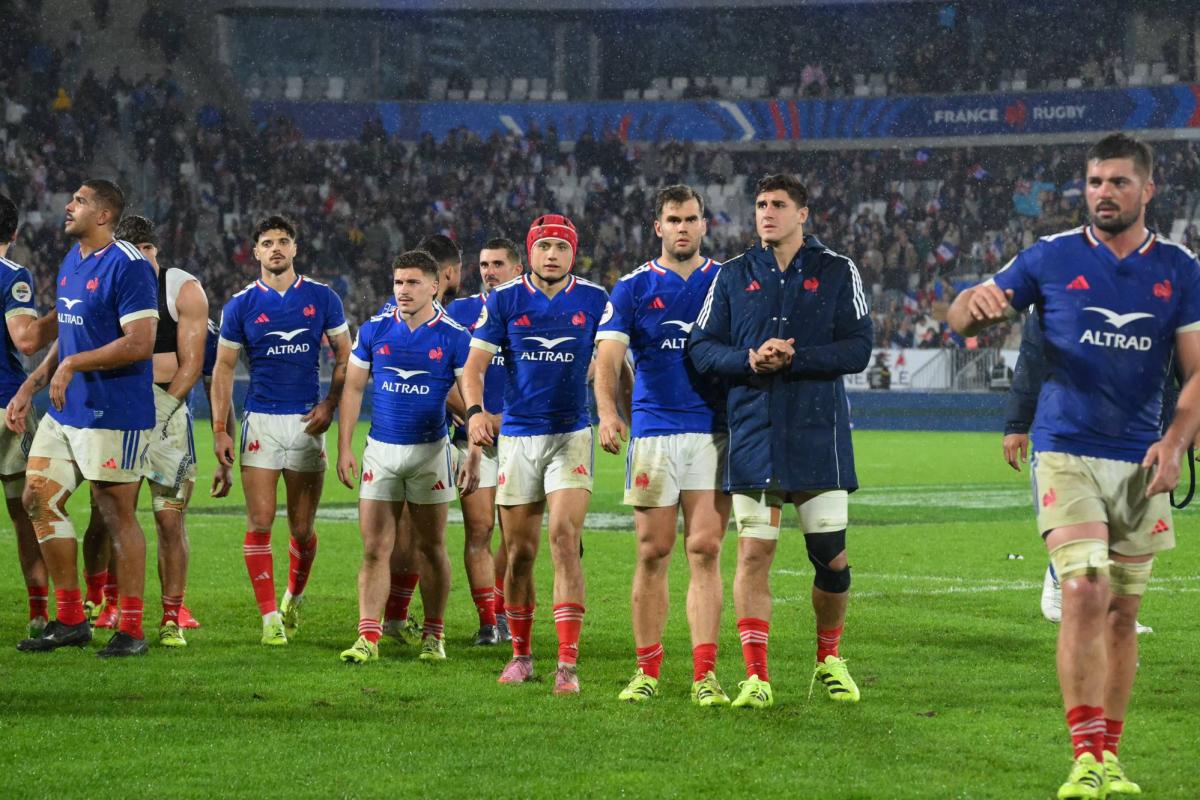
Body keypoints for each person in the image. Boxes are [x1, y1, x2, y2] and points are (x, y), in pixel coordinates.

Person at [948, 132, 1200, 799]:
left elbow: (1197, 371)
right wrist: (968, 308)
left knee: (1121, 611)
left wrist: (1174, 444)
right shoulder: (1049, 257)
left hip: (1140, 458)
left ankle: (1110, 757)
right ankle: (1083, 755)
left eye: (1118, 182)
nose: (1103, 194)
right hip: (1065, 450)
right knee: (1084, 591)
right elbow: (964, 317)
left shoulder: (1180, 269)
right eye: (1094, 182)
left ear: (1148, 189)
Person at [689, 173, 872, 709]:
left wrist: (798, 358)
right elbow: (701, 348)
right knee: (752, 557)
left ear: (803, 213)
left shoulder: (837, 271)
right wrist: (749, 359)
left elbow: (859, 348)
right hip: (756, 437)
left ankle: (828, 660)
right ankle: (756, 677)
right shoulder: (732, 275)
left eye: (778, 205)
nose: (766, 213)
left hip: (819, 437)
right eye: (761, 205)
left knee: (831, 559)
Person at [593, 184, 732, 705]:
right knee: (653, 551)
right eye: (673, 219)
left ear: (704, 224)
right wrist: (608, 413)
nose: (682, 227)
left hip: (714, 433)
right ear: (658, 226)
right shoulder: (630, 288)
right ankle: (647, 670)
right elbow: (607, 360)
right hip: (652, 434)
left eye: (691, 219)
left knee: (706, 550)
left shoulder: (726, 281)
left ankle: (705, 675)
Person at [10, 179, 159, 657]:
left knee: (116, 516)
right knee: (37, 496)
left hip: (113, 411)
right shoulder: (73, 260)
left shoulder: (130, 266)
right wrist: (31, 384)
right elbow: (70, 330)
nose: (67, 206)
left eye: (78, 200)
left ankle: (132, 629)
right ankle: (71, 618)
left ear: (103, 215)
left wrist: (74, 365)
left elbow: (140, 343)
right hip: (64, 409)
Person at [463, 214, 609, 694]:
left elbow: (613, 365)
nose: (552, 254)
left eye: (561, 247)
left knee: (565, 540)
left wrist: (617, 413)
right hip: (520, 440)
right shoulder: (505, 300)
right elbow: (474, 367)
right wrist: (478, 411)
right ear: (531, 252)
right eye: (544, 246)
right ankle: (521, 656)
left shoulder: (595, 300)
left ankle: (567, 664)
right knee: (520, 555)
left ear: (574, 252)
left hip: (571, 434)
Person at [76, 215, 233, 647]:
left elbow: (194, 364)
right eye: (131, 252)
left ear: (154, 250)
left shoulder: (183, 288)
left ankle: (170, 615)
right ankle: (101, 601)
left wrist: (162, 409)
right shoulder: (105, 286)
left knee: (169, 518)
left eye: (145, 250)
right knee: (103, 516)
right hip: (115, 414)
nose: (140, 259)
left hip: (167, 416)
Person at [211, 215, 351, 645]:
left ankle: (293, 596)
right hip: (262, 422)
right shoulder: (240, 305)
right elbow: (223, 368)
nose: (275, 248)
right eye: (267, 242)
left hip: (308, 423)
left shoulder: (322, 298)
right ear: (255, 252)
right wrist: (220, 428)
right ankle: (270, 617)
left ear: (295, 249)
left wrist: (330, 403)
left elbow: (346, 357)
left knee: (302, 529)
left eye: (283, 241)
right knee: (259, 521)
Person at [335, 249, 480, 663]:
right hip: (381, 451)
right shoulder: (375, 329)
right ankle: (368, 637)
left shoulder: (454, 335)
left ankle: (434, 635)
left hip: (430, 453)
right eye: (398, 282)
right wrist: (345, 446)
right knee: (375, 548)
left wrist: (472, 452)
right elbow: (354, 389)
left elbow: (470, 399)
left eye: (413, 282)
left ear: (435, 286)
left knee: (432, 547)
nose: (403, 290)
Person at [380, 234, 462, 644]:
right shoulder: (401, 319)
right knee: (411, 536)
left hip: (420, 436)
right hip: (410, 439)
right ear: (446, 275)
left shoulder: (435, 320)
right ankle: (395, 619)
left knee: (407, 536)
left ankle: (397, 618)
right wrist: (473, 416)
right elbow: (437, 383)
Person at [442, 238, 523, 645]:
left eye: (497, 264)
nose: (489, 271)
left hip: (522, 435)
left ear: (517, 269)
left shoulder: (532, 310)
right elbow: (436, 368)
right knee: (479, 528)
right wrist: (473, 415)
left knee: (515, 534)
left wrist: (501, 417)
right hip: (470, 438)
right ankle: (488, 623)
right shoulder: (460, 312)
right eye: (484, 264)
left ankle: (505, 611)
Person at [0, 194, 59, 638]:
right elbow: (25, 341)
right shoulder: (13, 275)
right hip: (7, 409)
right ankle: (39, 614)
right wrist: (73, 309)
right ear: (14, 234)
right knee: (26, 510)